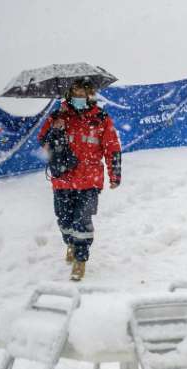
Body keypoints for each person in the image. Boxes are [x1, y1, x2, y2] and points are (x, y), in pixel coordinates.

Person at [37, 78, 122, 281]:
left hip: (89, 181)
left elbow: (112, 148)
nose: (79, 97)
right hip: (63, 180)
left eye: (83, 93)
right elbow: (44, 145)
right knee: (64, 221)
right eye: (75, 93)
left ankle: (80, 260)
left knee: (82, 221)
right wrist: (54, 129)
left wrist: (115, 174)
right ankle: (71, 244)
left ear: (90, 94)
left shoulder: (101, 118)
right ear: (68, 94)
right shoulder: (57, 116)